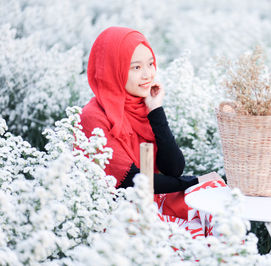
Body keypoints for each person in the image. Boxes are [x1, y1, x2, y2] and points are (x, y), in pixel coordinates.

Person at [80, 26, 225, 238]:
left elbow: (173, 168)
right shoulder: (92, 116)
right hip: (121, 211)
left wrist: (156, 110)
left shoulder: (141, 106)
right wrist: (193, 181)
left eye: (150, 64)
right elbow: (134, 181)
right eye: (136, 67)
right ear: (113, 69)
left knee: (218, 196)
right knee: (198, 213)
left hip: (154, 198)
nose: (148, 74)